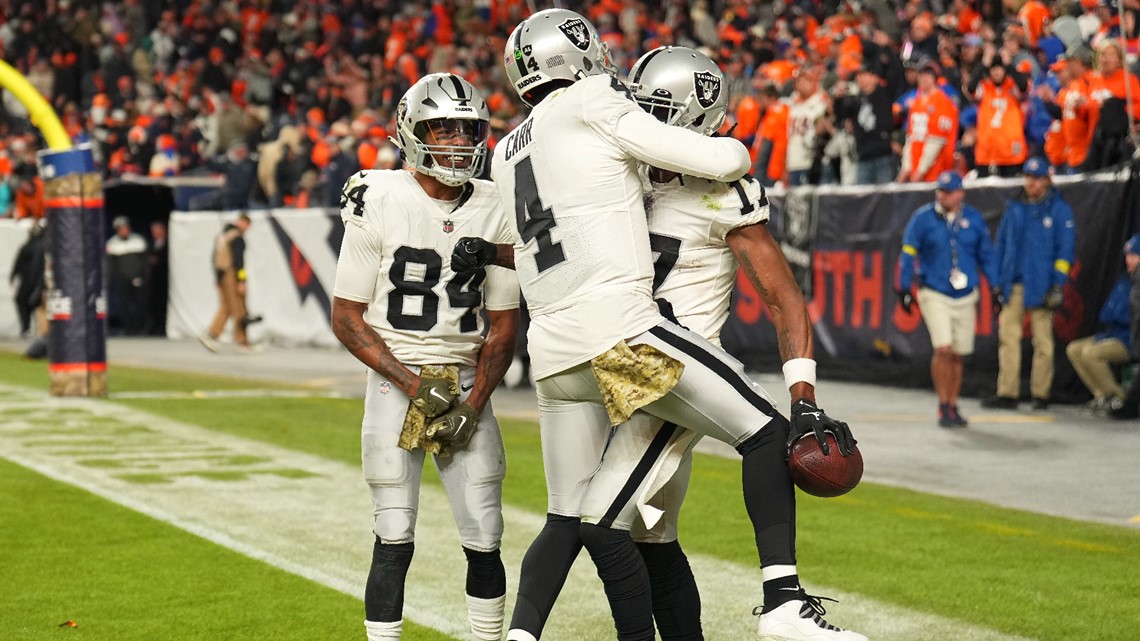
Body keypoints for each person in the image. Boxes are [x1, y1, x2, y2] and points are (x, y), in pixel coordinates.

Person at [489, 12, 857, 641]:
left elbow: (783, 296)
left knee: (620, 525)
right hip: (634, 348)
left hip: (617, 358)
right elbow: (727, 155)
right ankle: (784, 604)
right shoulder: (617, 147)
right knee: (624, 524)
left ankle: (778, 607)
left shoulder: (531, 148)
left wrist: (804, 392)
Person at [329, 73, 520, 641]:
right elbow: (346, 316)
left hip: (465, 378)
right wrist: (413, 384)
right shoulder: (380, 195)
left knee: (485, 533)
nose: (458, 142)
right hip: (398, 374)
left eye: (468, 130)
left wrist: (476, 399)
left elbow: (504, 325)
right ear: (411, 130)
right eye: (443, 128)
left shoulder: (495, 204)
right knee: (394, 532)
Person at [896, 171, 998, 427]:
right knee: (943, 348)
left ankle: (953, 403)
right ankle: (943, 405)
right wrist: (904, 287)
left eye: (948, 191)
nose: (943, 195)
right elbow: (908, 253)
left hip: (965, 294)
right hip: (934, 290)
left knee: (958, 354)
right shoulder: (922, 218)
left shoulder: (973, 219)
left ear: (960, 193)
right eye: (940, 191)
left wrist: (997, 287)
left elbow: (986, 255)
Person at [983, 157, 1075, 410]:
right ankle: (1007, 393)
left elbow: (1065, 252)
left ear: (1047, 180)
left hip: (1043, 285)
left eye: (1037, 177)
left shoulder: (1059, 209)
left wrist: (1057, 284)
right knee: (1008, 338)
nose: (1031, 182)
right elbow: (1001, 245)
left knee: (1043, 342)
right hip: (1014, 284)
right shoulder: (1014, 207)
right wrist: (998, 283)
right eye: (1028, 177)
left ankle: (1040, 394)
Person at [1067, 238, 1134, 412]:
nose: (1128, 260)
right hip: (1112, 333)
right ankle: (1101, 394)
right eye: (1128, 256)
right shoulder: (1124, 280)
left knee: (1092, 353)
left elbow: (1129, 318)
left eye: (1134, 256)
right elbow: (1107, 313)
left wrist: (1119, 317)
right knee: (1074, 349)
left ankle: (1119, 397)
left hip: (1130, 339)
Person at [199, 213, 260, 352]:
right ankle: (242, 341)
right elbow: (239, 262)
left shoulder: (222, 235)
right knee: (239, 308)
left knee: (226, 307)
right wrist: (242, 280)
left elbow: (214, 258)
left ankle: (212, 334)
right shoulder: (237, 238)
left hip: (221, 276)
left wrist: (217, 278)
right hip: (231, 275)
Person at [898, 60, 958, 183]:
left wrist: (921, 171)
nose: (924, 78)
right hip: (916, 173)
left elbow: (936, 141)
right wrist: (906, 168)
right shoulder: (917, 102)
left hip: (935, 173)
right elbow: (910, 138)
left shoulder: (942, 102)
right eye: (921, 74)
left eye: (928, 75)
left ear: (935, 78)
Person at [105, 215, 149, 336]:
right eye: (121, 228)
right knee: (123, 305)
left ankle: (142, 328)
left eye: (125, 228)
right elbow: (112, 266)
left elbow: (143, 262)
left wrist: (141, 277)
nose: (123, 230)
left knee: (141, 304)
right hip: (122, 279)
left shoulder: (138, 241)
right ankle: (128, 329)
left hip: (137, 278)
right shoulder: (112, 244)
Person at [10, 222, 46, 337]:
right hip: (35, 280)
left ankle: (30, 328)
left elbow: (18, 263)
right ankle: (31, 328)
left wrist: (13, 275)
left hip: (32, 281)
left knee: (29, 302)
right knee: (30, 303)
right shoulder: (39, 246)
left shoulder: (33, 246)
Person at [145, 220, 169, 335]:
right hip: (153, 280)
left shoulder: (169, 244)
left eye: (157, 231)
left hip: (164, 279)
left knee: (163, 304)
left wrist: (158, 261)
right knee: (153, 305)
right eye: (153, 231)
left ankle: (163, 328)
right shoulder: (151, 244)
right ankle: (154, 327)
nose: (155, 233)